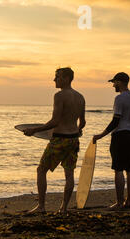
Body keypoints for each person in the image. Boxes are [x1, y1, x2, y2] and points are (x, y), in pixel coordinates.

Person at [23, 67, 86, 214]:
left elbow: (55, 121)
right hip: (73, 140)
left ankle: (41, 207)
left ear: (66, 78)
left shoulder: (59, 96)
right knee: (69, 174)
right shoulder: (80, 97)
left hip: (60, 139)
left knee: (41, 170)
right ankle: (63, 208)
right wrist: (77, 130)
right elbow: (82, 122)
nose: (54, 80)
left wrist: (34, 130)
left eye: (57, 77)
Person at [93, 72, 130, 210]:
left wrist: (100, 135)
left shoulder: (119, 98)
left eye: (114, 82)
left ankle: (120, 202)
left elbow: (116, 121)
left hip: (120, 136)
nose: (113, 85)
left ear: (120, 82)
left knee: (118, 169)